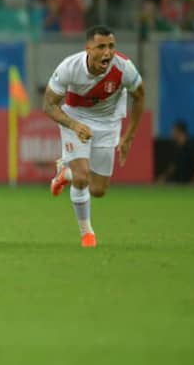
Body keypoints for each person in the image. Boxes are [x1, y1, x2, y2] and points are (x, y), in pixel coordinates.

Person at [44, 25, 146, 248]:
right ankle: (87, 233)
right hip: (75, 119)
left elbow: (140, 96)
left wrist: (129, 136)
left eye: (111, 46)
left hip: (108, 124)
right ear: (88, 48)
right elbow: (49, 105)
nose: (107, 52)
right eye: (101, 47)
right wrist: (73, 124)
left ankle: (65, 173)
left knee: (98, 190)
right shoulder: (69, 67)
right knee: (82, 178)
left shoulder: (124, 68)